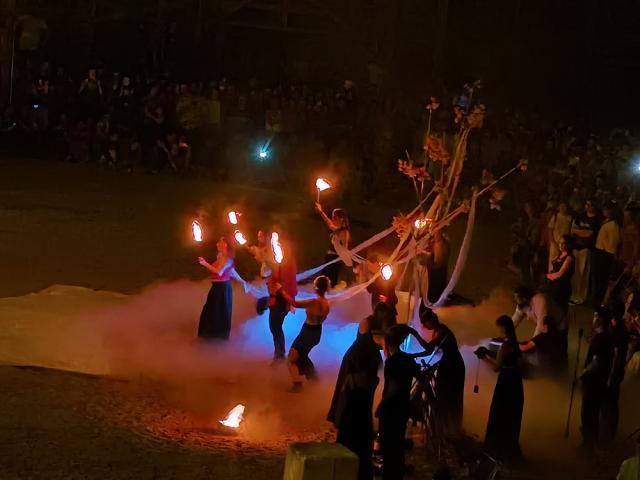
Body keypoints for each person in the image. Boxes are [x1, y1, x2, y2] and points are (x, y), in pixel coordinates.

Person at [328, 303, 393, 480]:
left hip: (359, 381)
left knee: (358, 418)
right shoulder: (367, 327)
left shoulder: (371, 347)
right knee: (352, 416)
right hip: (355, 378)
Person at [474, 315, 524, 464]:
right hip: (515, 383)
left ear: (503, 328)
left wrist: (484, 357)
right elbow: (508, 359)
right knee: (511, 416)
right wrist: (490, 353)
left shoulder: (505, 345)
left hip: (505, 383)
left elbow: (497, 367)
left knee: (499, 415)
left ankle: (496, 449)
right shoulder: (515, 344)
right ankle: (509, 449)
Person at [376, 325, 422, 480]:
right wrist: (415, 395)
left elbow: (392, 388)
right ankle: (398, 473)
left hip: (391, 408)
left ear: (388, 345)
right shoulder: (408, 360)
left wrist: (382, 405)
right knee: (398, 443)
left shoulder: (392, 363)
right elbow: (422, 379)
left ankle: (389, 474)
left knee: (388, 445)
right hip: (403, 407)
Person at [412, 309, 465, 436]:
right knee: (440, 393)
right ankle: (441, 426)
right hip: (447, 364)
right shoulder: (437, 331)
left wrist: (414, 334)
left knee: (446, 395)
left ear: (431, 320)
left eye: (425, 323)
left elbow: (429, 348)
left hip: (453, 367)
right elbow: (431, 351)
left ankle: (447, 428)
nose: (425, 326)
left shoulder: (442, 331)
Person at [280, 276, 331, 392]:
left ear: (316, 287)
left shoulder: (314, 302)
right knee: (302, 356)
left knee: (291, 358)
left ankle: (297, 384)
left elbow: (294, 303)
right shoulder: (327, 303)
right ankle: (313, 378)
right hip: (316, 332)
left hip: (307, 332)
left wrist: (282, 291)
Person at [579, 306, 615, 455]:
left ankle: (588, 447)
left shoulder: (601, 338)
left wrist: (583, 373)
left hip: (594, 381)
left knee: (588, 414)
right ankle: (590, 445)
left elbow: (596, 361)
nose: (593, 319)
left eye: (595, 316)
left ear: (601, 319)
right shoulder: (605, 336)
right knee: (592, 414)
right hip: (600, 380)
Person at [267, 232, 298, 362]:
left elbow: (290, 282)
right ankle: (278, 352)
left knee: (276, 325)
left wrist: (284, 292)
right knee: (274, 326)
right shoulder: (278, 262)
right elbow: (273, 278)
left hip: (282, 299)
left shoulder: (289, 264)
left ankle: (279, 354)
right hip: (276, 297)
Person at [197, 237, 235, 340]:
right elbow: (231, 272)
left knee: (218, 312)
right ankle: (207, 338)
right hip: (216, 287)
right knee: (209, 311)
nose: (217, 244)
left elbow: (219, 271)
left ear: (226, 244)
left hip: (222, 289)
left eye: (220, 242)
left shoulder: (228, 258)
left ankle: (216, 340)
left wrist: (205, 263)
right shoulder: (220, 256)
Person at [602, 307, 630, 442]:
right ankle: (608, 431)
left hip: (613, 373)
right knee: (610, 403)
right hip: (616, 373)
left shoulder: (618, 332)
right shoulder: (621, 329)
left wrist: (610, 376)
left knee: (610, 403)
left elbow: (617, 356)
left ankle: (607, 434)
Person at [545, 234, 575, 354]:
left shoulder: (569, 258)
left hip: (562, 289)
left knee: (560, 316)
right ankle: (551, 342)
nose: (561, 246)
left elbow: (560, 274)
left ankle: (560, 347)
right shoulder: (560, 254)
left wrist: (547, 276)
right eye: (560, 243)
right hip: (554, 288)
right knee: (551, 314)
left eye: (564, 243)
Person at [570, 199, 601, 304]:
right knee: (575, 273)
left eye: (590, 204)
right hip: (576, 248)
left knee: (584, 274)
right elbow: (573, 230)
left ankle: (581, 297)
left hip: (586, 249)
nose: (588, 206)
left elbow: (590, 234)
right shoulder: (581, 215)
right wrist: (582, 232)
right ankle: (573, 295)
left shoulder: (597, 219)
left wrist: (579, 231)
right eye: (587, 204)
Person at [315, 203, 351, 289]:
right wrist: (320, 211)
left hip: (334, 261)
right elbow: (328, 221)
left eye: (335, 217)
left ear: (341, 219)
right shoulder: (336, 229)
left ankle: (327, 300)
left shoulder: (344, 232)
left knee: (329, 283)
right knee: (323, 282)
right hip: (329, 259)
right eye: (332, 216)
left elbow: (345, 249)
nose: (332, 219)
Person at [592, 202, 620, 306]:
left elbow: (614, 242)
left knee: (602, 278)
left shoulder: (613, 225)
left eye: (606, 209)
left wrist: (607, 251)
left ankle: (600, 299)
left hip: (606, 253)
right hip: (601, 251)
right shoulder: (606, 222)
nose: (604, 211)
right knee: (599, 277)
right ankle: (597, 297)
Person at [548, 201, 574, 270]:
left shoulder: (570, 218)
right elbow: (550, 230)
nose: (562, 208)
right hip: (555, 243)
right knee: (553, 261)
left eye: (564, 206)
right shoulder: (556, 216)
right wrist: (554, 243)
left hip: (565, 245)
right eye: (561, 206)